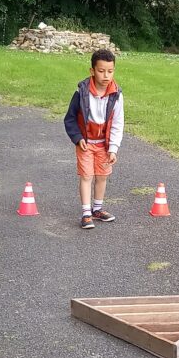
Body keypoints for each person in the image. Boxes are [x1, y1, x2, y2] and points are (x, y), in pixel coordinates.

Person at [64, 49, 124, 230]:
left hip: (104, 145)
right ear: (92, 71)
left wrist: (113, 148)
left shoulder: (116, 94)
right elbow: (70, 118)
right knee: (86, 176)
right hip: (86, 143)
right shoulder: (82, 92)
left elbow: (118, 123)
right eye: (101, 71)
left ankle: (97, 209)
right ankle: (86, 213)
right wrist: (77, 138)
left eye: (110, 71)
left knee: (102, 176)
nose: (106, 76)